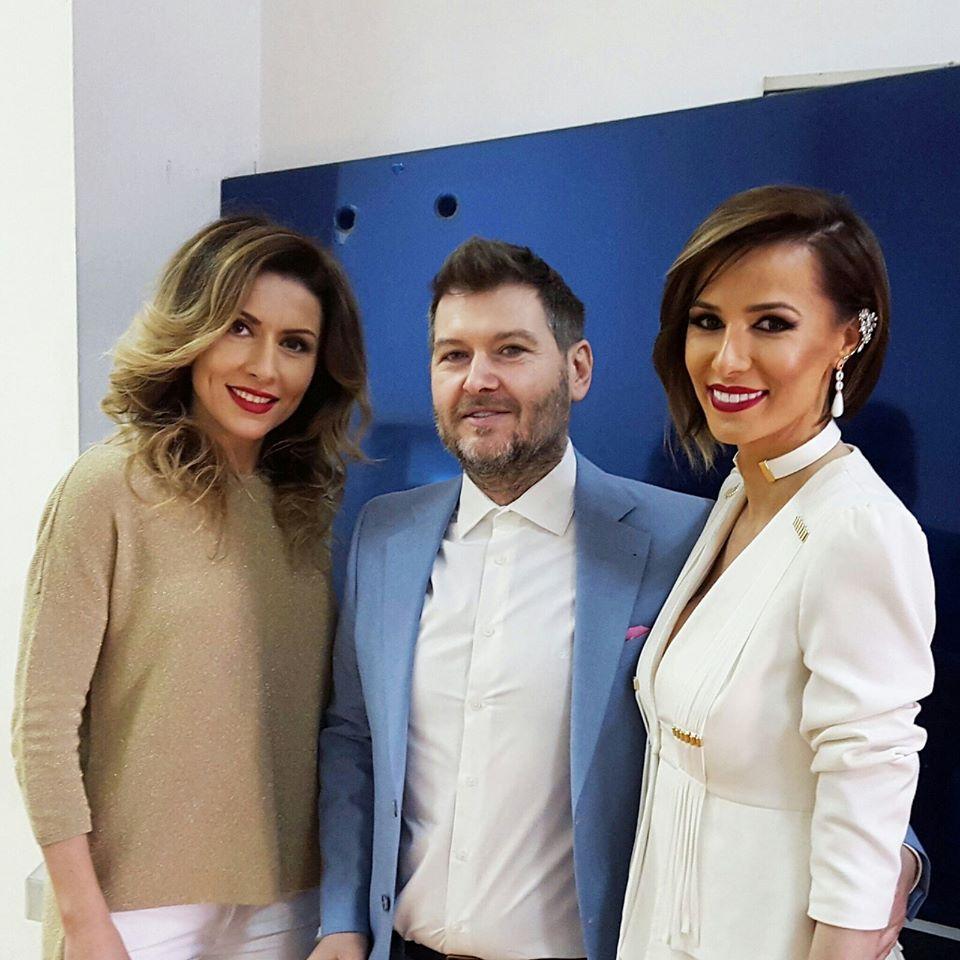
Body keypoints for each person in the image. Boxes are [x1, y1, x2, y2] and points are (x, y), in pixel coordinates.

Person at [309, 236, 706, 960]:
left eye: (511, 351)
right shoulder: (384, 534)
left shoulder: (682, 540)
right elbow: (352, 738)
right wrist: (342, 920)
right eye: (453, 355)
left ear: (577, 369)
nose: (478, 379)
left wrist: (889, 855)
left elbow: (753, 738)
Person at [12, 215, 369, 960]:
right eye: (240, 328)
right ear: (191, 331)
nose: (266, 369)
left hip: (285, 901)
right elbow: (41, 727)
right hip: (135, 909)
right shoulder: (106, 488)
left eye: (295, 344)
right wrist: (83, 920)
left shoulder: (303, 509)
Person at [617, 186, 936, 960]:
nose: (727, 358)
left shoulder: (858, 529)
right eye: (707, 321)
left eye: (771, 324)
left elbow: (866, 806)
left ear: (847, 338)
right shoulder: (737, 494)